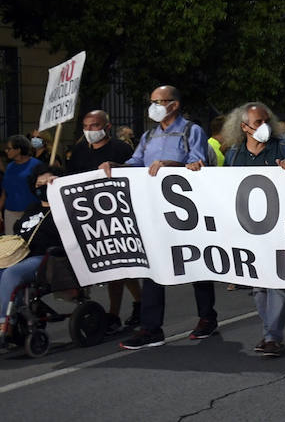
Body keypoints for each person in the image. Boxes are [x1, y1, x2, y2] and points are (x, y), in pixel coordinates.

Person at [100, 86, 215, 350]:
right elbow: (136, 163)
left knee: (197, 262)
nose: (153, 107)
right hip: (155, 209)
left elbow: (197, 163)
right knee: (153, 266)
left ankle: (207, 317)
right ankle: (151, 328)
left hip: (187, 210)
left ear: (174, 104)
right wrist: (114, 167)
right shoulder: (149, 135)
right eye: (151, 101)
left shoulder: (191, 131)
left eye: (158, 102)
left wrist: (170, 165)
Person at [222, 102, 285, 358]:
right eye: (258, 123)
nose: (264, 126)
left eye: (267, 120)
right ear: (243, 127)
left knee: (276, 282)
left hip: (279, 228)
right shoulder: (234, 155)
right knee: (258, 286)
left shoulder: (284, 148)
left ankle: (272, 337)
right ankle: (270, 334)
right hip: (248, 229)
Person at [65, 110, 139, 332]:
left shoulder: (121, 149)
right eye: (86, 127)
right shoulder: (79, 151)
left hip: (117, 214)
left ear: (107, 127)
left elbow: (133, 175)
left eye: (94, 126)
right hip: (90, 216)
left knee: (118, 265)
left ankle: (116, 313)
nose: (89, 131)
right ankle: (138, 303)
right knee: (113, 267)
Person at [0, 167, 59, 340]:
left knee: (11, 273)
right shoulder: (32, 208)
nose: (43, 186)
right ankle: (14, 313)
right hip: (21, 255)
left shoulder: (63, 209)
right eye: (39, 183)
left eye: (48, 182)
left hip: (45, 258)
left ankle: (4, 324)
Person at [2, 137, 45, 234]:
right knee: (11, 242)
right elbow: (5, 191)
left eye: (9, 148)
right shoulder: (9, 167)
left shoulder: (37, 165)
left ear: (18, 150)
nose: (6, 151)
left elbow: (44, 190)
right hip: (10, 211)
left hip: (31, 212)